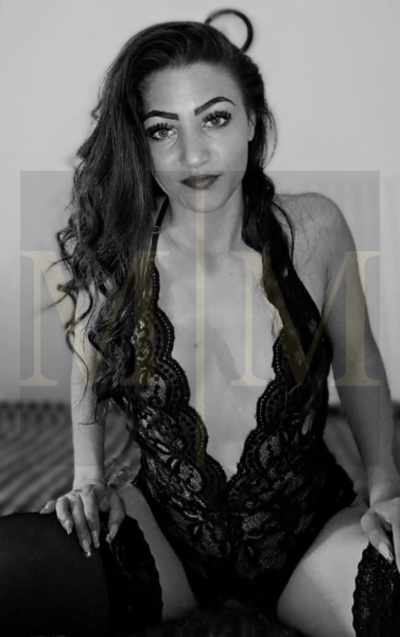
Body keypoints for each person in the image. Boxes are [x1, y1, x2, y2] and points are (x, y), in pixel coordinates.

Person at [0, 19, 399, 637]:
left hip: (311, 539)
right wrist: (88, 477)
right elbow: (88, 364)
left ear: (252, 121)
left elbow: (357, 361)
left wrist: (385, 488)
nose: (193, 155)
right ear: (139, 143)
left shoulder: (314, 230)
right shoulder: (116, 253)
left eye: (215, 119)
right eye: (162, 129)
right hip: (163, 538)